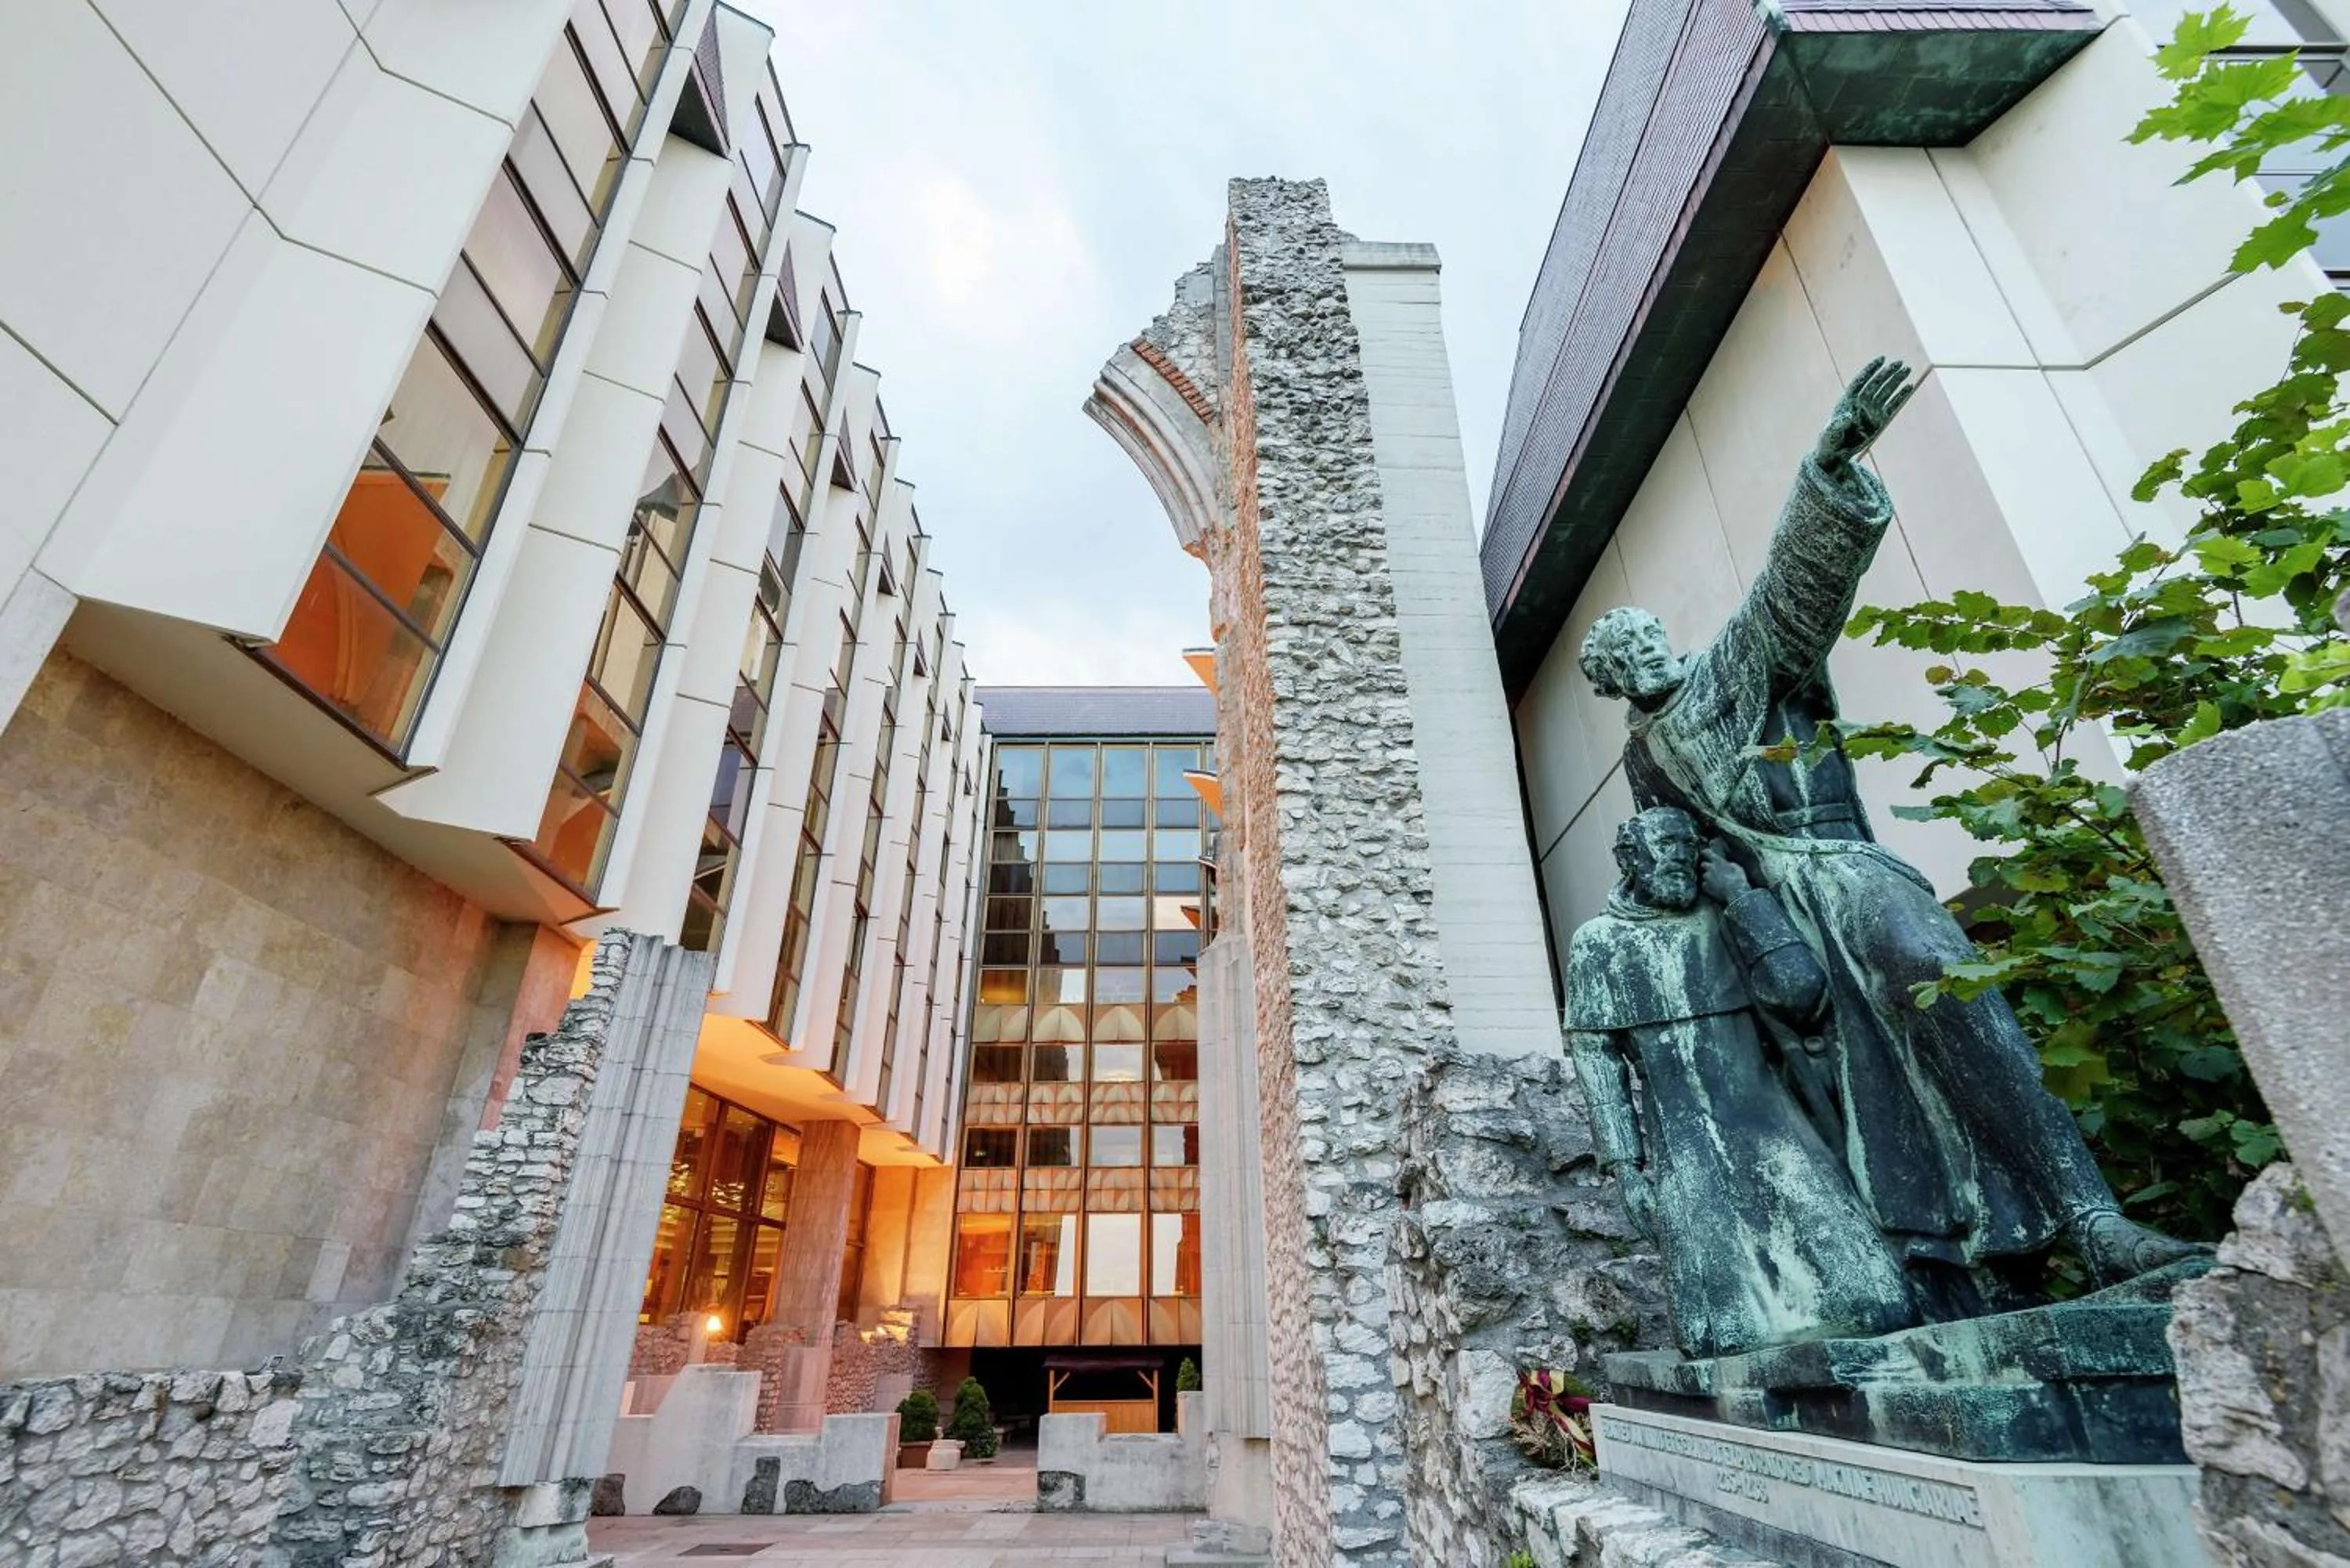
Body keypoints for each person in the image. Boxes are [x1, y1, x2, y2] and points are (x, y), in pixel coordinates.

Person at [1576, 357, 2200, 1290]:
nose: (1648, 659)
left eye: (1650, 640)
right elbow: (1673, 863)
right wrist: (1731, 929)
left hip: (1839, 874)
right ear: (1613, 683)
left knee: (1936, 974)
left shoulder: (1733, 669)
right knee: (1844, 1100)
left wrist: (1826, 471)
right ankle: (1948, 1274)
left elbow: (1787, 598)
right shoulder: (1645, 758)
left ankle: (2092, 1216)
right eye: (1627, 659)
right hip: (1774, 924)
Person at [1567, 807, 1915, 1357]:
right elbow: (1597, 1059)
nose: (1679, 856)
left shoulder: (1727, 915)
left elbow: (1801, 994)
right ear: (1629, 858)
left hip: (1771, 1118)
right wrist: (1626, 1168)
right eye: (1664, 845)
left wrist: (1743, 898)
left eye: (1687, 844)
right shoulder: (1598, 944)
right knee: (1726, 1330)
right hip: (1685, 1139)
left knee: (1871, 1301)